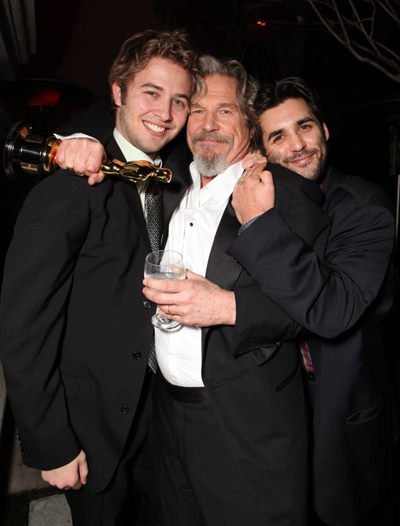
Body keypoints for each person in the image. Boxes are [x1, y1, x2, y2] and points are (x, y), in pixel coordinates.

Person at [50, 57, 331, 525]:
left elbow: (314, 305)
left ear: (248, 121)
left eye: (225, 112)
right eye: (196, 110)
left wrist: (224, 307)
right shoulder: (171, 180)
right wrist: (73, 138)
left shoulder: (282, 191)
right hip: (165, 416)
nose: (208, 125)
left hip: (244, 421)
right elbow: (128, 110)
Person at [0, 29, 201, 525]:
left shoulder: (172, 172)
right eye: (151, 93)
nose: (165, 113)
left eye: (179, 100)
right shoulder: (71, 179)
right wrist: (49, 444)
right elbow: (25, 323)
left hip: (155, 418)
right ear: (117, 92)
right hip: (88, 431)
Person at [230, 77, 398, 526]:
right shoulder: (258, 196)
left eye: (304, 127)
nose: (298, 145)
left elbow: (332, 310)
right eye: (278, 136)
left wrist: (260, 225)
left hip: (341, 411)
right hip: (275, 404)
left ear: (324, 129)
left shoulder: (364, 206)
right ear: (262, 150)